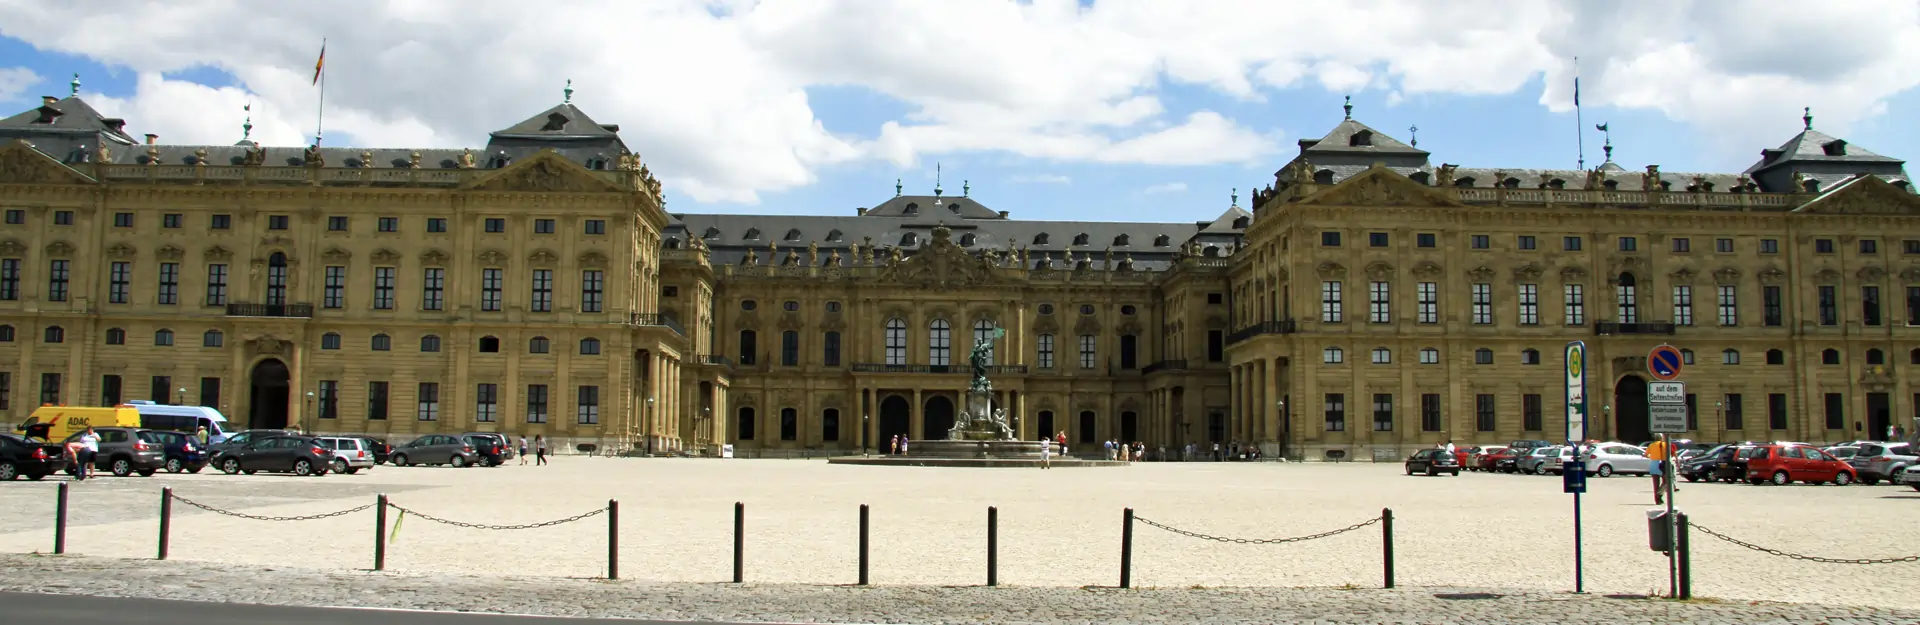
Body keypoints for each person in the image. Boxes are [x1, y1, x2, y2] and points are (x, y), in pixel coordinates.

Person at [1646, 437, 1670, 505]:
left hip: (1654, 464)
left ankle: (1657, 500)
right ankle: (1659, 494)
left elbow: (1646, 454)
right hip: (1663, 464)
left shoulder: (1651, 445)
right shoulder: (1665, 444)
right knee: (1666, 481)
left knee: (1655, 484)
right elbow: (1669, 454)